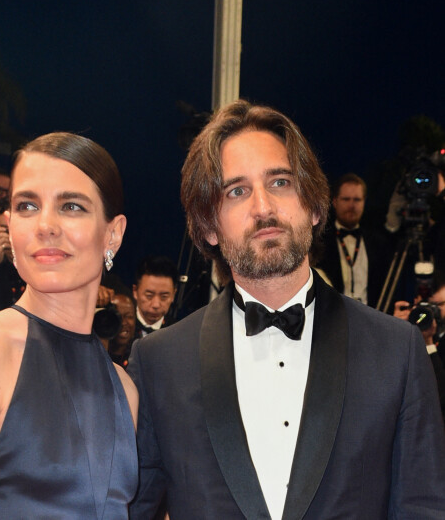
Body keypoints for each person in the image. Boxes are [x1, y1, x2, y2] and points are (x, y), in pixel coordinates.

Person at [128, 100, 445, 519]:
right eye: (237, 191)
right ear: (209, 226)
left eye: (280, 182)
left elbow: (423, 508)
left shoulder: (396, 350)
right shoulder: (157, 362)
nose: (263, 207)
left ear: (315, 206)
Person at [0, 132, 138, 519]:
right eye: (26, 206)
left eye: (71, 206)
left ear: (113, 233)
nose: (45, 226)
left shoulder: (124, 389)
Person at [318, 173, 391, 308]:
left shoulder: (379, 243)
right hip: (333, 319)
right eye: (346, 199)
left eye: (357, 200)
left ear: (364, 202)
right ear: (334, 202)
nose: (351, 205)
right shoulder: (320, 242)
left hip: (372, 318)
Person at [133, 255, 178, 337]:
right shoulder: (121, 326)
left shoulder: (178, 333)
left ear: (173, 295)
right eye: (149, 296)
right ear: (135, 291)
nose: (156, 305)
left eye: (164, 297)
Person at [109, 293, 137, 368]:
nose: (123, 322)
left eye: (129, 316)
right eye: (117, 317)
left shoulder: (141, 355)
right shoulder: (94, 353)